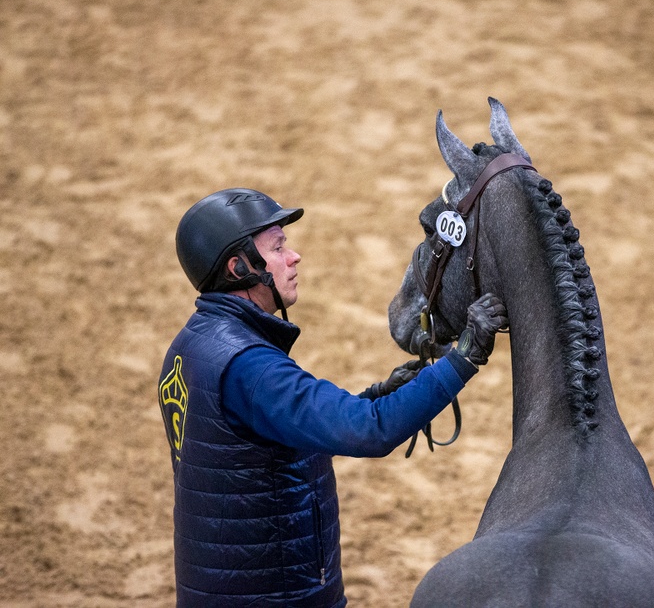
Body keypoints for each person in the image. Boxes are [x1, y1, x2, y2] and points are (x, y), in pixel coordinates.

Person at [157, 187, 507, 607]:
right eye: (278, 248)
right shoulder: (250, 368)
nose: (294, 257)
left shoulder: (191, 345)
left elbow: (262, 443)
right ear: (239, 267)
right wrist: (463, 358)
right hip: (278, 596)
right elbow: (369, 431)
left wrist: (377, 393)